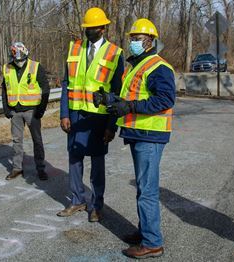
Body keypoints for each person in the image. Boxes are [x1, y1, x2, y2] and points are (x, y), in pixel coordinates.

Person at [96, 18, 175, 259]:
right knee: (143, 187)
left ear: (151, 41)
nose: (133, 43)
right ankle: (145, 232)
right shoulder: (137, 66)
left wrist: (129, 107)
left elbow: (164, 100)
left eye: (138, 39)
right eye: (132, 39)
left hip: (150, 135)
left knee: (147, 190)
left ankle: (152, 242)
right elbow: (129, 98)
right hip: (139, 133)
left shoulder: (159, 67)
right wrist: (110, 100)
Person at [57, 7, 124, 223]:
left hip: (99, 117)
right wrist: (64, 113)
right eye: (86, 28)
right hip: (76, 115)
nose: (88, 31)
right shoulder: (74, 48)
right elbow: (67, 84)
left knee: (97, 163)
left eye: (93, 28)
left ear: (103, 28)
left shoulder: (115, 53)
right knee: (74, 159)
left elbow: (117, 92)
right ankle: (77, 199)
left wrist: (111, 125)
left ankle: (96, 205)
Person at [2, 42, 50, 181]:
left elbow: (45, 88)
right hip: (15, 111)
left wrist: (41, 109)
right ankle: (17, 168)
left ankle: (40, 168)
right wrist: (6, 109)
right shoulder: (7, 68)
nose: (18, 61)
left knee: (37, 140)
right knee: (17, 141)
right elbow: (4, 89)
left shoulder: (35, 67)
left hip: (32, 111)